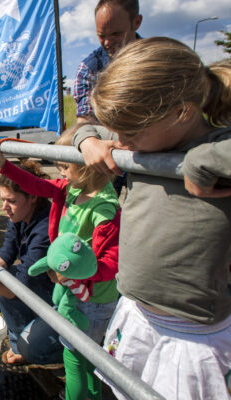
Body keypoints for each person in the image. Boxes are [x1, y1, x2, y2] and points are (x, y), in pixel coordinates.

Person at [72, 37, 231, 399]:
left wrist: (205, 161)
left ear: (181, 113)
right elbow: (84, 128)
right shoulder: (148, 141)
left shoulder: (215, 148)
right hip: (137, 316)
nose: (121, 143)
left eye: (129, 132)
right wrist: (87, 141)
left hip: (192, 336)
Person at [0, 127, 120, 400]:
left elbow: (110, 261)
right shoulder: (71, 189)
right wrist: (6, 167)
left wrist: (77, 275)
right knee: (81, 357)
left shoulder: (104, 209)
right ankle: (85, 392)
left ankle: (76, 395)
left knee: (76, 357)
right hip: (68, 287)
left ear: (87, 167)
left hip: (91, 296)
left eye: (64, 166)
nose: (59, 172)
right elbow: (37, 186)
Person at [0, 159, 63, 366]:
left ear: (32, 196)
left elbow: (18, 287)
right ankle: (19, 343)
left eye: (11, 201)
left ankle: (59, 354)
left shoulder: (45, 228)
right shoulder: (20, 215)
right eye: (3, 200)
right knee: (4, 276)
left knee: (35, 349)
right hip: (37, 282)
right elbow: (5, 255)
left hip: (60, 293)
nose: (4, 207)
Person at [74, 0, 142, 124]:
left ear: (136, 22)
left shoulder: (161, 61)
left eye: (116, 34)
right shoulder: (89, 69)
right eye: (101, 35)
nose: (107, 43)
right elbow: (86, 122)